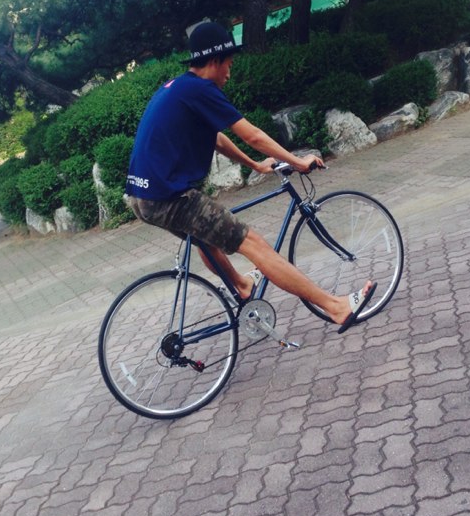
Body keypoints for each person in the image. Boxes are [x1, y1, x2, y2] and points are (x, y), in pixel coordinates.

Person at [124, 21, 376, 334]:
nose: (230, 73)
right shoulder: (201, 89)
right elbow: (253, 135)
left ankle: (243, 287)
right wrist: (297, 162)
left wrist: (255, 166)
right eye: (229, 64)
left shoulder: (179, 87)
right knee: (254, 245)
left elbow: (217, 138)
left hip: (142, 197)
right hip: (169, 197)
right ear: (215, 60)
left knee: (207, 239)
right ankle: (336, 307)